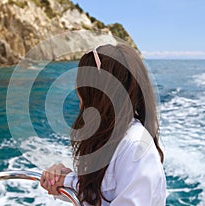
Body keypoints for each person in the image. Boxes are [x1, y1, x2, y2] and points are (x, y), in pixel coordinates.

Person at [40, 44, 166, 205]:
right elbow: (104, 192)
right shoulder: (110, 135)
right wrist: (64, 180)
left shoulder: (136, 147)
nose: (76, 88)